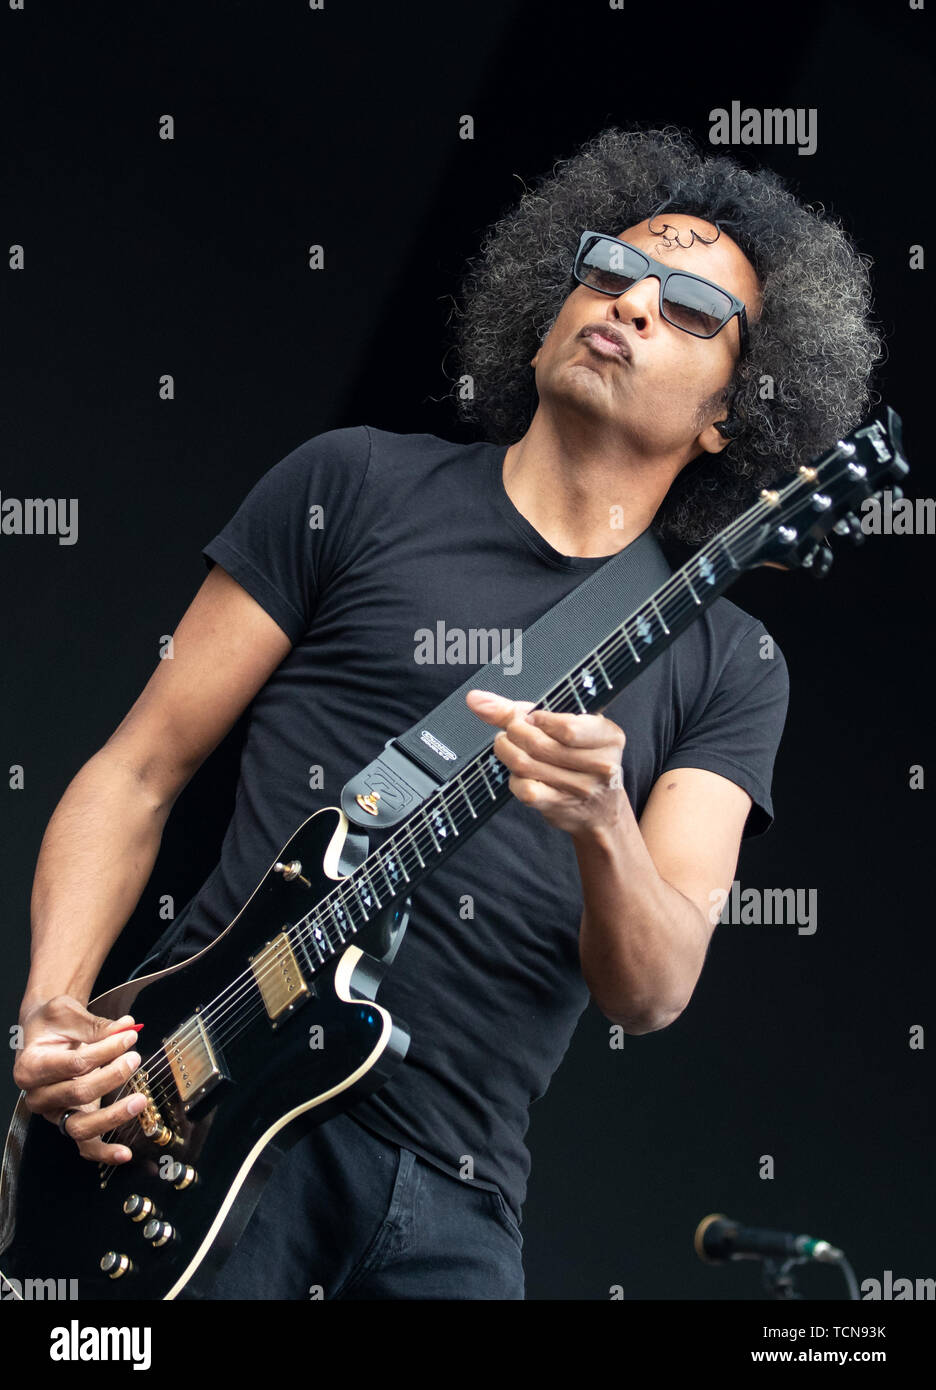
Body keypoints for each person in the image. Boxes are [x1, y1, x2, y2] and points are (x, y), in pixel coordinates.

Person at [11, 125, 881, 1299]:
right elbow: (137, 772)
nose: (628, 304)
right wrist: (53, 1011)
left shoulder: (731, 663)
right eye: (609, 270)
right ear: (549, 306)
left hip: (455, 1197)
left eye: (686, 308)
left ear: (732, 415)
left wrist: (601, 825)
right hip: (197, 1103)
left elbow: (656, 986)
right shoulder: (352, 485)